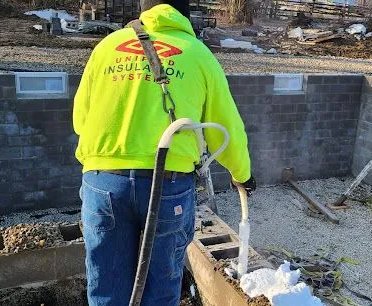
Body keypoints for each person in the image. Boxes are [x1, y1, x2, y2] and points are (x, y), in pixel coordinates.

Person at [72, 0, 256, 305]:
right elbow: (226, 128)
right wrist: (242, 175)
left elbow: (81, 119)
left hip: (103, 182)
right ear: (184, 13)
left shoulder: (107, 47)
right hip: (167, 185)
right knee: (160, 286)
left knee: (107, 283)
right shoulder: (198, 55)